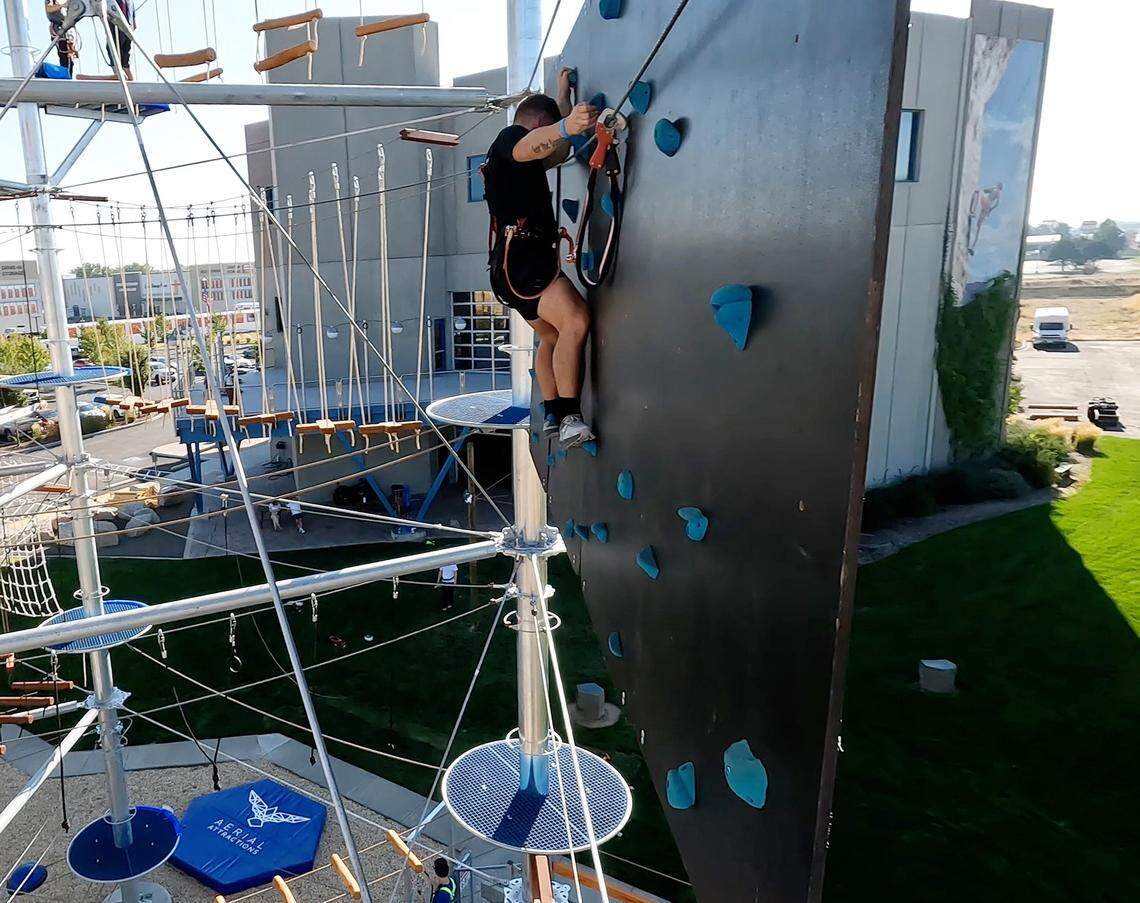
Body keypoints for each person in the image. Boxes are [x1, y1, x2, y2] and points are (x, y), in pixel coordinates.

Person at [483, 68, 598, 448]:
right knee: (576, 321)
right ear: (538, 122)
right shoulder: (510, 140)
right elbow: (534, 143)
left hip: (511, 266)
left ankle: (551, 412)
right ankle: (569, 416)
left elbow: (554, 150)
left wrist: (562, 104)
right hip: (527, 263)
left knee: (550, 335)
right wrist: (565, 124)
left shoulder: (515, 162)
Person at [106, 0, 135, 81]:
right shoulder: (130, 2)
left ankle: (120, 77)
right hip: (128, 33)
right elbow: (135, 25)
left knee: (114, 56)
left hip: (117, 31)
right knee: (125, 64)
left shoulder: (113, 1)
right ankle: (131, 83)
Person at [45, 4, 78, 74]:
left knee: (70, 58)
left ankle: (68, 75)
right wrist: (63, 5)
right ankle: (66, 76)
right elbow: (49, 9)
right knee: (64, 56)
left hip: (68, 31)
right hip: (60, 30)